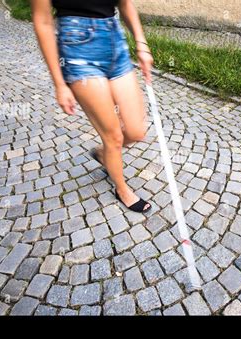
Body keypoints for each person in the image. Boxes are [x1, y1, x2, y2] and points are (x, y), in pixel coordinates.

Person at [31, 0, 153, 212]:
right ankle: (122, 189)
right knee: (113, 137)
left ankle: (103, 154)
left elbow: (125, 3)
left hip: (115, 40)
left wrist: (141, 44)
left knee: (136, 131)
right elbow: (42, 21)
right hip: (77, 49)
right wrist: (60, 84)